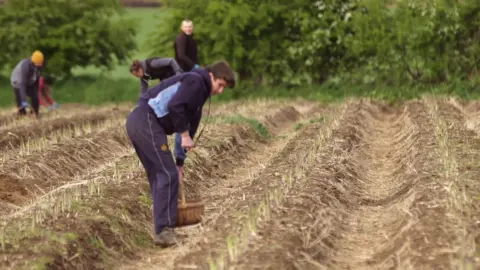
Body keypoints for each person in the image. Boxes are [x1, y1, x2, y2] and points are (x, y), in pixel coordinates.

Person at [125, 60, 235, 247]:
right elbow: (176, 107)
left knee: (164, 175)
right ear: (211, 76)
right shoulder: (195, 82)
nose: (220, 91)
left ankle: (165, 230)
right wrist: (184, 135)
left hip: (143, 123)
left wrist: (180, 163)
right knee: (167, 175)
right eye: (220, 85)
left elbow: (187, 126)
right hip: (145, 120)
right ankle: (164, 230)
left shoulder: (199, 96)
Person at [130, 57, 187, 176]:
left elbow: (171, 61)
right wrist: (140, 105)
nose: (138, 77)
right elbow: (144, 90)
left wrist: (178, 75)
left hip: (173, 79)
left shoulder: (153, 64)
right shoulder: (144, 76)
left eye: (137, 74)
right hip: (166, 82)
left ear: (140, 69)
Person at [10, 50, 44, 117]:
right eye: (39, 63)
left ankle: (35, 113)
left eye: (41, 63)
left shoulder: (38, 66)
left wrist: (36, 93)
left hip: (30, 81)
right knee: (21, 104)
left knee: (35, 98)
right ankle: (22, 113)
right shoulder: (26, 66)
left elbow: (37, 81)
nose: (40, 65)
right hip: (18, 82)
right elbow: (23, 84)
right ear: (34, 62)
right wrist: (24, 100)